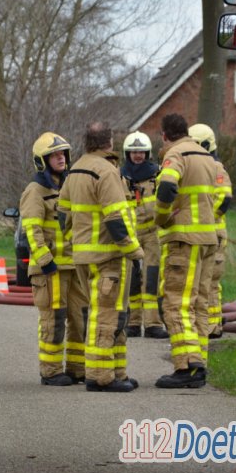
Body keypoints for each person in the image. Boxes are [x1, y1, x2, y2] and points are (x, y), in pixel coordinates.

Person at [59, 121, 144, 393]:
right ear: (110, 142)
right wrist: (134, 251)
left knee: (108, 313)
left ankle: (117, 372)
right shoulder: (106, 171)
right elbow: (116, 219)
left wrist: (76, 238)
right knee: (108, 316)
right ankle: (99, 376)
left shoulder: (76, 170)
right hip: (108, 256)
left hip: (83, 256)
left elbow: (63, 215)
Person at [153, 114, 219, 389]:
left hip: (184, 240)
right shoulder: (205, 155)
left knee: (176, 303)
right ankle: (199, 363)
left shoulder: (175, 154)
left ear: (165, 135)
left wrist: (162, 216)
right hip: (207, 238)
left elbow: (167, 185)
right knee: (200, 304)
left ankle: (186, 365)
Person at [20, 132, 88, 386]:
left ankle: (77, 368)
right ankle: (50, 371)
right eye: (54, 155)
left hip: (74, 265)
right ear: (42, 161)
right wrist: (45, 260)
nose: (61, 158)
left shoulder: (69, 186)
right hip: (50, 269)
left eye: (63, 154)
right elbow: (31, 230)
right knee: (54, 320)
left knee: (81, 317)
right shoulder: (35, 191)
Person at [120, 132, 169, 339]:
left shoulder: (157, 175)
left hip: (151, 233)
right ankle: (132, 323)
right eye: (133, 152)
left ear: (147, 153)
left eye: (141, 151)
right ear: (127, 154)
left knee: (152, 277)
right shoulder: (120, 176)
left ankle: (152, 324)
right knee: (130, 279)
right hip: (129, 234)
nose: (138, 155)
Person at [188, 123, 234, 339]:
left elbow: (224, 199)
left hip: (213, 233)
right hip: (200, 233)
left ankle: (213, 325)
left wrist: (207, 217)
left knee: (211, 281)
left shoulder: (217, 168)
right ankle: (207, 324)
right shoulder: (196, 167)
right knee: (200, 281)